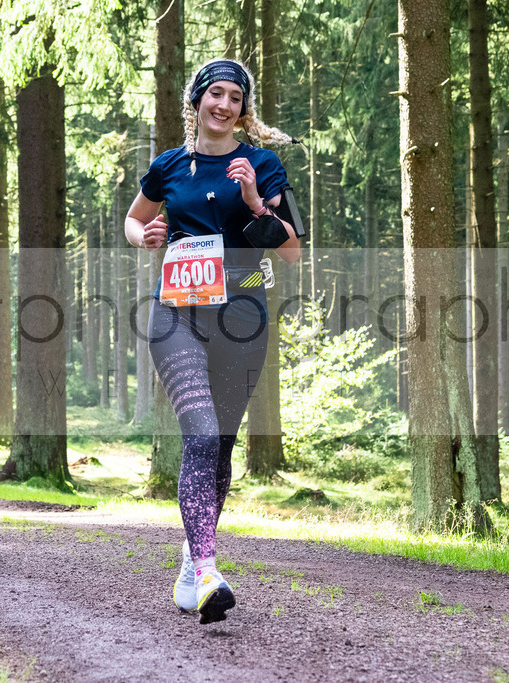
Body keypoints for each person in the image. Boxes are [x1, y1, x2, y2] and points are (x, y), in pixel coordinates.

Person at [125, 58, 301, 624]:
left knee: (220, 448)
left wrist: (254, 201)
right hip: (178, 311)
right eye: (214, 94)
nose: (223, 105)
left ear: (243, 109)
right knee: (200, 433)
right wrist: (145, 236)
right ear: (197, 100)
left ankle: (189, 560)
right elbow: (135, 220)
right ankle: (206, 570)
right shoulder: (168, 166)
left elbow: (292, 249)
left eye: (234, 98)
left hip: (243, 315)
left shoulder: (264, 165)